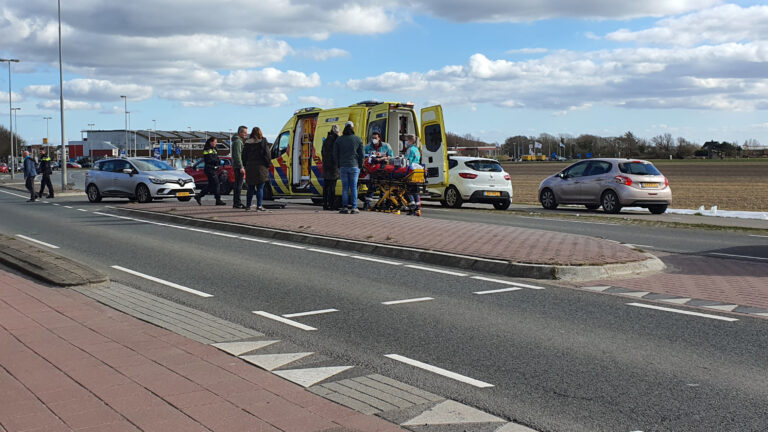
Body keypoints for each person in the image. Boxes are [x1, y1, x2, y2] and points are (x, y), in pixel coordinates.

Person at [333, 121, 364, 214]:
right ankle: (354, 208)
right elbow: (362, 155)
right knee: (354, 187)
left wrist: (338, 164)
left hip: (343, 166)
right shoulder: (358, 139)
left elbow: (335, 154)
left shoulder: (339, 140)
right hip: (354, 166)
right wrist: (360, 165)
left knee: (345, 187)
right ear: (353, 128)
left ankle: (345, 207)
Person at [243, 127, 271, 211]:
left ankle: (248, 206)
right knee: (260, 187)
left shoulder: (247, 142)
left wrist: (245, 164)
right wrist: (268, 164)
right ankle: (259, 206)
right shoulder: (263, 141)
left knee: (250, 187)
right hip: (261, 167)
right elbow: (267, 154)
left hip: (250, 166)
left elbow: (243, 155)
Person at [194, 137, 226, 206]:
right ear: (210, 142)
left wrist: (218, 162)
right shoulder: (207, 149)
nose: (216, 143)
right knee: (216, 184)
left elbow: (215, 157)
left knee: (211, 185)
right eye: (215, 142)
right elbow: (209, 160)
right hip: (209, 169)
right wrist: (219, 161)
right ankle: (218, 200)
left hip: (213, 169)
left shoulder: (214, 149)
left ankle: (199, 196)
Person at [321, 125, 340, 210]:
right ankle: (332, 205)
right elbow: (337, 153)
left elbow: (322, 152)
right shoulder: (337, 140)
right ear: (337, 131)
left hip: (326, 166)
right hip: (333, 167)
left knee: (326, 187)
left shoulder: (326, 140)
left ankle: (325, 204)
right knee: (332, 187)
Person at [231, 125, 248, 209]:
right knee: (239, 185)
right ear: (240, 132)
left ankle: (236, 202)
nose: (246, 134)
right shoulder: (238, 142)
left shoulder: (237, 141)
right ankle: (237, 203)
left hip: (236, 166)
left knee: (238, 184)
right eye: (245, 133)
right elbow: (237, 155)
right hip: (238, 167)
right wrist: (241, 166)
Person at [404, 134, 422, 208]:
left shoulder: (410, 149)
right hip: (418, 170)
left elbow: (407, 160)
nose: (406, 142)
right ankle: (417, 206)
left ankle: (412, 205)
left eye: (406, 140)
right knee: (415, 190)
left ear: (410, 141)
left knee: (408, 189)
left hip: (411, 170)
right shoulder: (416, 149)